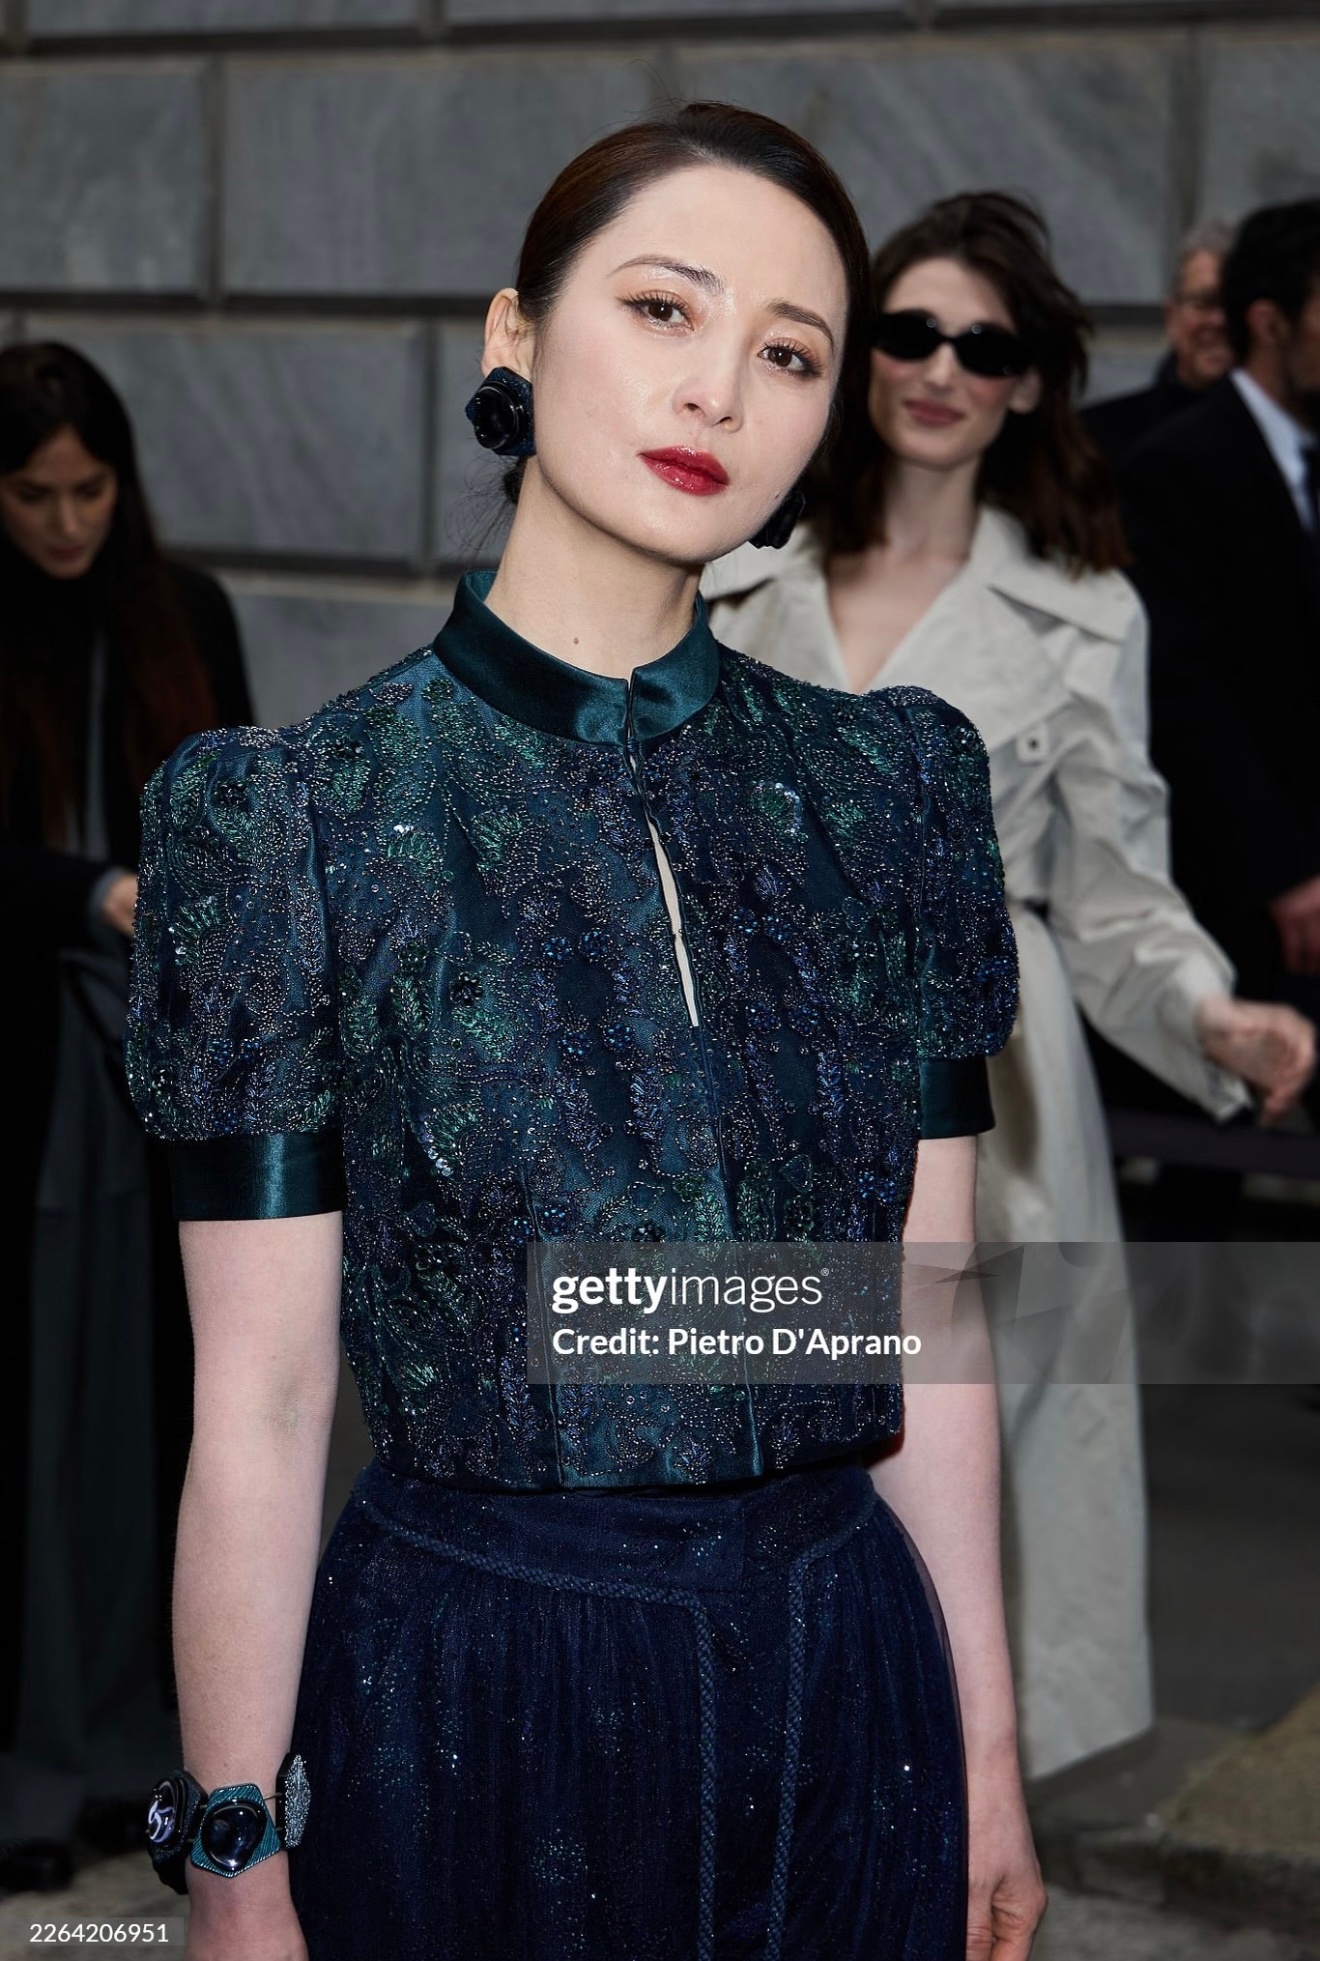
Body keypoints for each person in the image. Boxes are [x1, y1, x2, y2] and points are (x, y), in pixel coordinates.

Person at [126, 105, 1046, 1960]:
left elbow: (923, 1320)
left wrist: (987, 1754)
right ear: (517, 337)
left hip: (848, 1682)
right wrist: (232, 1856)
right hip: (479, 1693)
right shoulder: (296, 819)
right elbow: (268, 1402)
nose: (720, 389)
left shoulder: (888, 796)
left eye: (791, 352)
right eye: (663, 308)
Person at [703, 191, 1315, 1782]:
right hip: (750, 1078)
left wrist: (1209, 1014)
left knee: (957, 1479)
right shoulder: (734, 573)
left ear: (1030, 380)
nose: (939, 370)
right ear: (860, 353)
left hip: (990, 1095)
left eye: (982, 347)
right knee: (748, 1456)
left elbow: (1114, 892)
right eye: (909, 332)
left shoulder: (1085, 610)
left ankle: (943, 1816)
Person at [0, 342, 251, 1889]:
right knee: (36, 1413)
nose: (66, 522)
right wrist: (89, 890)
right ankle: (32, 1762)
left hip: (162, 1067)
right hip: (33, 1070)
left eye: (89, 490)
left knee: (145, 1408)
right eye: (33, 495)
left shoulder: (185, 612)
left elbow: (239, 807)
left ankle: (123, 1742)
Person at [1122, 200, 1320, 1119]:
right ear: (1271, 323)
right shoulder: (1176, 465)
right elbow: (1181, 688)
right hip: (1230, 898)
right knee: (1201, 1159)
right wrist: (1284, 868)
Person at [1083, 219, 1234, 469]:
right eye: (1204, 303)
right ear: (1172, 317)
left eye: (1235, 304)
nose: (1220, 320)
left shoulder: (1292, 440)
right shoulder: (1096, 437)